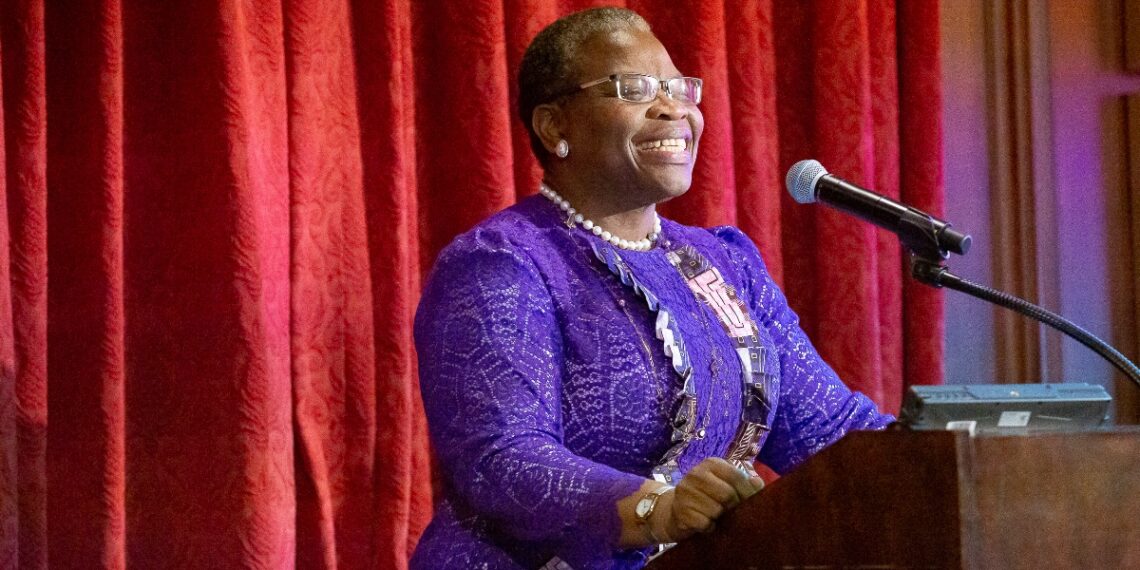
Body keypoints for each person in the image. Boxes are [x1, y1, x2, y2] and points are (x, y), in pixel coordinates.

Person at [411, 7, 892, 569]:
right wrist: (655, 510)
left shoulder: (724, 265)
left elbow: (830, 432)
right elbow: (502, 459)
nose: (674, 108)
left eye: (679, 87)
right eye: (634, 88)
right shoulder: (503, 263)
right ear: (554, 126)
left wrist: (958, 445)